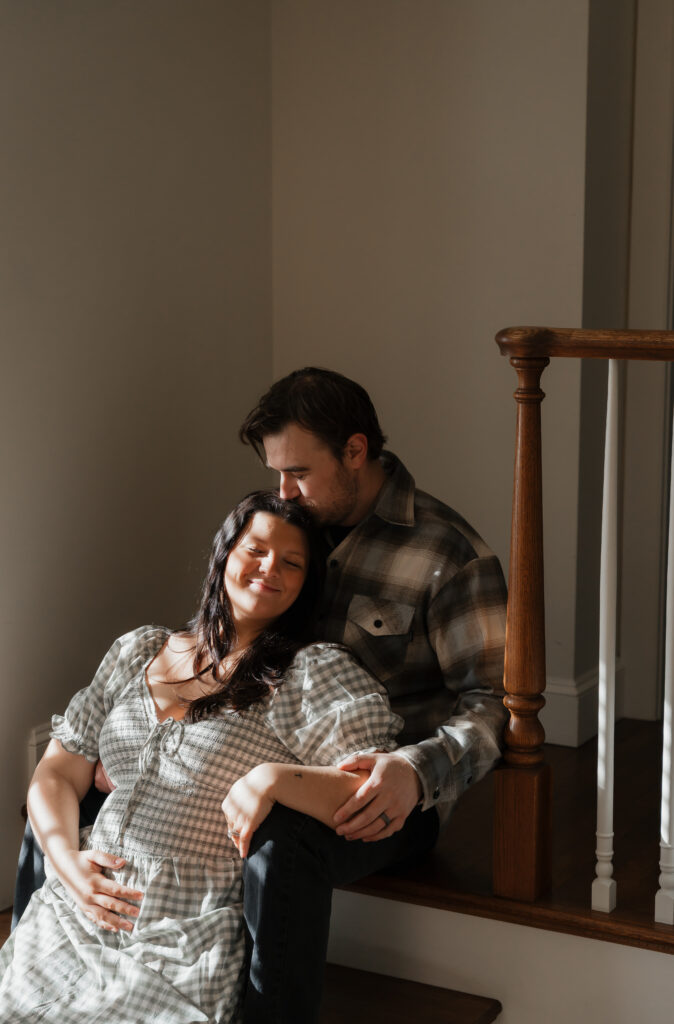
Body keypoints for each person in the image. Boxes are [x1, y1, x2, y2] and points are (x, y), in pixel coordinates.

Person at [0, 491, 404, 1024]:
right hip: (76, 906)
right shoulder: (138, 651)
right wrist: (65, 862)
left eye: (292, 563)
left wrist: (275, 779)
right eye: (256, 550)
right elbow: (57, 769)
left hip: (182, 931)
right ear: (224, 554)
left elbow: (373, 791)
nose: (270, 569)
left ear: (307, 583)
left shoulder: (309, 673)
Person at [237, 367, 508, 1023]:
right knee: (89, 796)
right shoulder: (284, 531)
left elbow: (494, 705)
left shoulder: (450, 554)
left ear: (355, 451)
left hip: (381, 793)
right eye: (276, 474)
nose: (284, 492)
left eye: (298, 472)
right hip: (259, 756)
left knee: (281, 842)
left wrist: (416, 772)